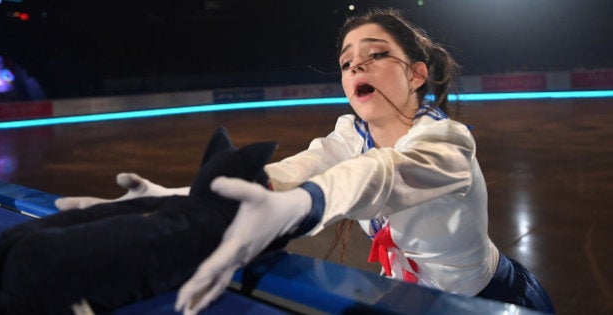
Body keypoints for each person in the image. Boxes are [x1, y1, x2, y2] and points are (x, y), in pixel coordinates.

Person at [57, 8, 555, 315]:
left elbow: (380, 175)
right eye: (345, 61)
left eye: (375, 53)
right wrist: (188, 198)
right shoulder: (348, 134)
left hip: (492, 303)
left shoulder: (446, 143)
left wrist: (303, 206)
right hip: (409, 299)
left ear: (417, 73)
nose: (356, 64)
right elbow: (288, 172)